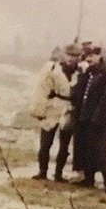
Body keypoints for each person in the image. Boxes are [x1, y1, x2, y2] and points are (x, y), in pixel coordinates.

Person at [29, 43, 81, 181]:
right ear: (64, 55)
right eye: (69, 55)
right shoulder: (53, 69)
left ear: (78, 57)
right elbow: (42, 89)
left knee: (64, 144)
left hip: (69, 109)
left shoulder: (81, 72)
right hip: (53, 107)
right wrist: (39, 109)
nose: (71, 58)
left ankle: (58, 174)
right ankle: (42, 172)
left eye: (75, 56)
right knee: (46, 143)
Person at [72, 44, 106, 191]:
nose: (89, 58)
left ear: (100, 57)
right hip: (84, 117)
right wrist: (81, 74)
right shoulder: (87, 74)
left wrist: (97, 117)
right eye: (87, 56)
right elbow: (77, 94)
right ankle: (88, 179)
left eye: (92, 55)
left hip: (101, 119)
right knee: (86, 147)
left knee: (103, 150)